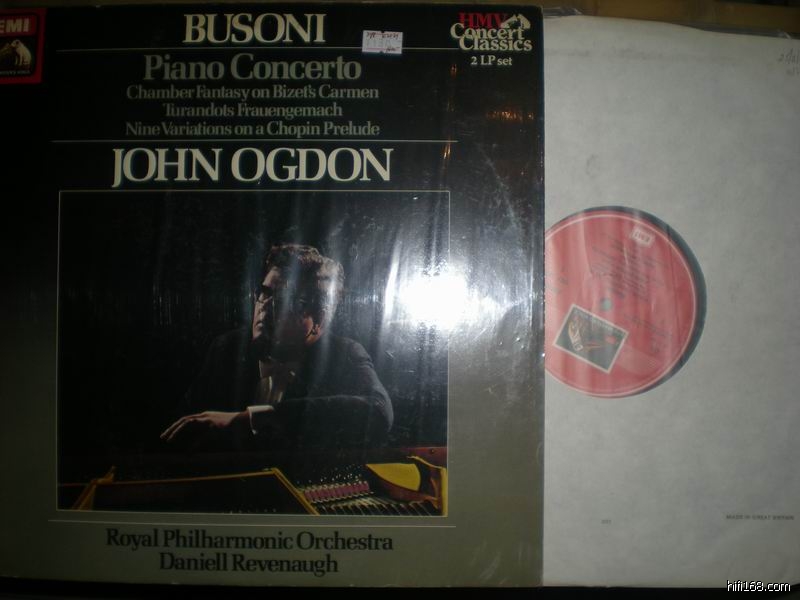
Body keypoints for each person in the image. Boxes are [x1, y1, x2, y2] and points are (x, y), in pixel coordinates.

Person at [161, 244, 393, 451]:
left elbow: (379, 413)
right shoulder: (227, 348)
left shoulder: (344, 355)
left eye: (285, 300)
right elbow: (180, 427)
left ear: (319, 318)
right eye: (265, 293)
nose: (265, 307)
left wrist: (248, 419)